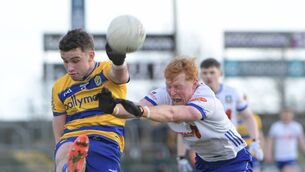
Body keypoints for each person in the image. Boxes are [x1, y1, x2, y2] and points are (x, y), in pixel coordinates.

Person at [97, 56, 253, 172]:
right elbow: (136, 107)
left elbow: (173, 114)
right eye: (169, 86)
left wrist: (143, 112)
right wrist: (114, 109)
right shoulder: (166, 92)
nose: (172, 92)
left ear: (194, 83)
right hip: (205, 162)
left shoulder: (206, 98)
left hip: (233, 160)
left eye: (178, 87)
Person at [52, 28, 129, 172]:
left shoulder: (106, 70)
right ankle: (70, 168)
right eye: (65, 61)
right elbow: (59, 127)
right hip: (72, 138)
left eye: (75, 61)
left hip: (104, 137)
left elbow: (120, 76)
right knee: (64, 150)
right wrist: (58, 149)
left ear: (91, 55)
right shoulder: (59, 87)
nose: (70, 68)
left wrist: (119, 62)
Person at [199, 58, 263, 167]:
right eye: (205, 73)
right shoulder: (196, 95)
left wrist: (255, 141)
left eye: (212, 72)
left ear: (220, 73)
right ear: (201, 74)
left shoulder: (232, 92)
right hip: (206, 149)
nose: (208, 76)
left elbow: (248, 117)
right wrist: (181, 156)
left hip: (231, 146)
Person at [265, 107, 305, 172]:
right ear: (280, 115)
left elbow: (302, 142)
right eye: (284, 114)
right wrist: (268, 153)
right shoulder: (275, 126)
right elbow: (270, 141)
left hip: (291, 157)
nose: (286, 116)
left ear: (292, 115)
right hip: (279, 157)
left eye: (288, 114)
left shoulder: (296, 127)